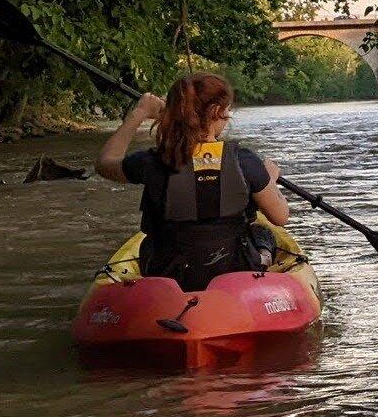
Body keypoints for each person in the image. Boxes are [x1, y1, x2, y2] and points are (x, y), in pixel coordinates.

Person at [94, 73, 292, 290]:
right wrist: (269, 179)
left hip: (170, 275)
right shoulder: (244, 161)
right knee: (263, 233)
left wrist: (139, 113)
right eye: (227, 109)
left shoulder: (152, 161)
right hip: (235, 271)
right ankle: (260, 263)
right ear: (217, 111)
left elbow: (104, 164)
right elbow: (280, 217)